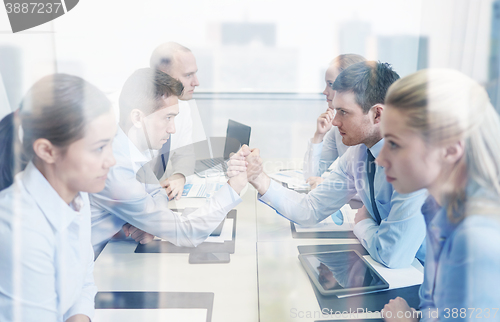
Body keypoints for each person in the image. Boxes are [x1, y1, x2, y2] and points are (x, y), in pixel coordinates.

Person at [230, 61, 427, 268]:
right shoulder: (358, 153)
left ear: (377, 114)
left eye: (343, 112)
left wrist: (363, 224)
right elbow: (310, 208)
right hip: (398, 268)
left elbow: (392, 255)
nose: (334, 122)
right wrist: (258, 177)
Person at [379, 69, 500, 321]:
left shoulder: (476, 239)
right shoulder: (436, 209)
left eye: (394, 144)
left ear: (450, 150)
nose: (380, 159)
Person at [90, 68, 246, 255]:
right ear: (138, 118)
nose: (172, 129)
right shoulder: (115, 166)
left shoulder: (129, 147)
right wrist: (234, 186)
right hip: (94, 267)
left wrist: (151, 224)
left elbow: (157, 191)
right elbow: (187, 233)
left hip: (111, 254)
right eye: (168, 118)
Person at [0, 74, 117, 321]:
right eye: (99, 148)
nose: (111, 160)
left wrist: (80, 316)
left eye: (110, 145)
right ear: (47, 151)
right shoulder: (20, 231)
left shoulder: (77, 197)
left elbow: (82, 278)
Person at [149, 42, 203, 200]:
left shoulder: (183, 107)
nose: (196, 82)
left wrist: (179, 177)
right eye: (188, 75)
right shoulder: (131, 112)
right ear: (163, 76)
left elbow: (185, 154)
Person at [303, 54, 366, 189]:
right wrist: (318, 136)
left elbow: (370, 190)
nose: (325, 92)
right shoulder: (337, 128)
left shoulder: (370, 128)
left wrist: (328, 184)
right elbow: (310, 176)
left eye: (331, 84)